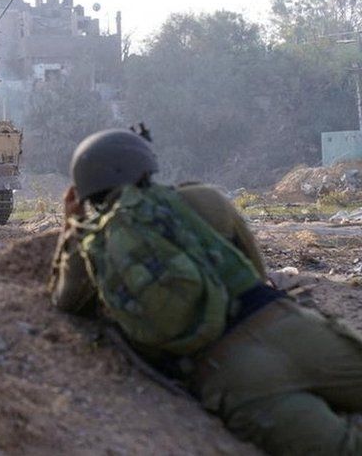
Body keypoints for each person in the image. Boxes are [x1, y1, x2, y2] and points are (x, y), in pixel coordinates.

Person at [50, 128, 362, 456]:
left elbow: (65, 301)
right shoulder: (201, 200)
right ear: (144, 164)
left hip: (228, 375)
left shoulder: (95, 247)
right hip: (287, 328)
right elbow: (254, 269)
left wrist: (72, 226)